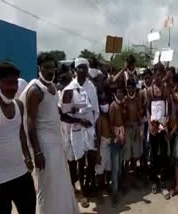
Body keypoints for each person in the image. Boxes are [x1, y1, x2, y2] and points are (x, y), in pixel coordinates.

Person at [20, 53, 80, 214]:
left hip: (57, 141)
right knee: (47, 186)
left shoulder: (52, 87)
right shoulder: (35, 90)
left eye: (52, 67)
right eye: (46, 67)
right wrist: (37, 151)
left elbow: (53, 111)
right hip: (44, 145)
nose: (50, 70)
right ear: (39, 68)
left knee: (60, 182)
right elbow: (30, 123)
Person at [0, 62, 36, 214]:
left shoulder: (18, 105)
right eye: (8, 83)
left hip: (21, 174)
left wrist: (27, 156)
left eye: (15, 83)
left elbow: (20, 132)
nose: (13, 88)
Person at [60, 58, 99, 207]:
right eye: (80, 68)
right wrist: (79, 120)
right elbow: (64, 113)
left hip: (90, 129)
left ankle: (89, 184)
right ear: (75, 70)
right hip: (76, 130)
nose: (82, 70)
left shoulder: (91, 87)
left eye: (85, 67)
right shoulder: (69, 88)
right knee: (79, 161)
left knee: (91, 159)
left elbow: (95, 110)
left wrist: (92, 125)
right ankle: (82, 190)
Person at [147, 63, 171, 193]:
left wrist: (166, 122)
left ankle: (162, 180)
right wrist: (150, 125)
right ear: (154, 73)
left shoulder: (165, 89)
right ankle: (153, 180)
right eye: (156, 73)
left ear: (162, 74)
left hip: (162, 127)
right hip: (153, 127)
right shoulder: (150, 90)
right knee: (153, 154)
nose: (158, 76)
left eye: (160, 73)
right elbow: (147, 109)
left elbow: (170, 107)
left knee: (163, 154)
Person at [122, 79, 142, 185]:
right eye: (128, 87)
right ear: (127, 88)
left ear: (135, 88)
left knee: (135, 155)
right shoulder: (125, 99)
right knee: (127, 156)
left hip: (136, 128)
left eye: (132, 87)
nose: (130, 89)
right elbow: (123, 115)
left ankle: (133, 179)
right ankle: (126, 179)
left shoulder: (137, 98)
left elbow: (140, 112)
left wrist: (140, 127)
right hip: (127, 128)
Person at [110, 86, 125, 207]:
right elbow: (111, 123)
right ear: (115, 93)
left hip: (121, 134)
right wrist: (115, 138)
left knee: (120, 165)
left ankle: (118, 188)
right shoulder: (113, 105)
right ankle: (114, 192)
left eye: (121, 91)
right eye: (118, 91)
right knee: (115, 167)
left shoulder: (121, 104)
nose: (120, 93)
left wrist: (122, 135)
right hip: (115, 136)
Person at [95, 93, 112, 202]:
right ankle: (99, 192)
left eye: (106, 103)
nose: (105, 105)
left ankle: (106, 187)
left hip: (110, 144)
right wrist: (97, 153)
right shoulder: (100, 118)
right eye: (103, 103)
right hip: (102, 146)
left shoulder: (109, 115)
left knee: (108, 168)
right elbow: (98, 135)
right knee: (100, 171)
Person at [140, 69, 152, 172]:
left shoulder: (154, 90)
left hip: (153, 121)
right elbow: (140, 108)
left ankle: (150, 166)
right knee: (144, 144)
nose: (147, 80)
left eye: (149, 78)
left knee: (150, 144)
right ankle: (143, 166)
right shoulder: (142, 92)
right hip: (144, 121)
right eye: (146, 78)